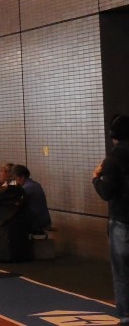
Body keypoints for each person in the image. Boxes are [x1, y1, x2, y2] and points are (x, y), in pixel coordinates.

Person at [93, 114, 129, 324]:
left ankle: (125, 315)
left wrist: (95, 178)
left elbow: (106, 192)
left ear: (113, 135)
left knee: (121, 271)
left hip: (122, 219)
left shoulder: (112, 159)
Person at [13, 164, 52, 233]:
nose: (15, 181)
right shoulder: (36, 184)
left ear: (22, 177)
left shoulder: (26, 188)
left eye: (15, 178)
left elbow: (18, 204)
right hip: (44, 220)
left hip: (36, 222)